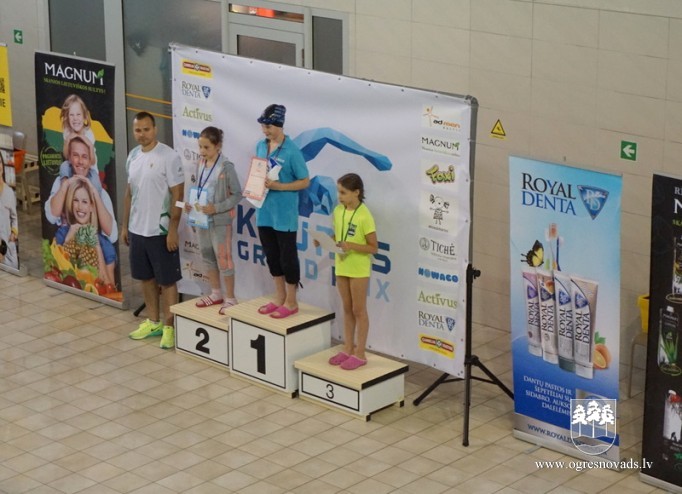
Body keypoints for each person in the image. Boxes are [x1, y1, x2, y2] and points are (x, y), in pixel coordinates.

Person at [122, 111, 184, 349]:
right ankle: (153, 322)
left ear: (155, 129)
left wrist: (173, 229)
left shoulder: (169, 157)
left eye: (146, 129)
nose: (142, 134)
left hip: (160, 232)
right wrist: (125, 225)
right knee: (146, 278)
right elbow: (129, 194)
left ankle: (169, 327)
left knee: (167, 281)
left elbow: (179, 196)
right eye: (138, 130)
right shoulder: (133, 156)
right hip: (137, 230)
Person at [315, 173, 378, 370]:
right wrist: (325, 240)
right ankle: (348, 347)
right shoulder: (338, 210)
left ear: (356, 192)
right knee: (347, 308)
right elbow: (339, 235)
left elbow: (373, 247)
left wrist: (352, 246)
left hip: (358, 268)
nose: (339, 196)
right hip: (341, 264)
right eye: (338, 192)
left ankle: (360, 353)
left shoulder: (364, 215)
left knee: (359, 310)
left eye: (343, 192)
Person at [254, 104, 310, 319]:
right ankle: (279, 297)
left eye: (268, 126)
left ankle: (292, 301)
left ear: (279, 125)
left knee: (288, 258)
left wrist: (280, 187)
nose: (265, 130)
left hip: (284, 214)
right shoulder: (261, 146)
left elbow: (304, 181)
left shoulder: (292, 151)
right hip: (264, 211)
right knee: (272, 256)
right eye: (263, 126)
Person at [184, 126, 242, 315]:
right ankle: (216, 293)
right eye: (200, 147)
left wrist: (216, 208)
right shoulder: (201, 163)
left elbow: (237, 195)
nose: (202, 151)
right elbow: (198, 188)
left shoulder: (226, 167)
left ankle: (230, 298)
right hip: (202, 219)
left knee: (223, 258)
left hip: (220, 221)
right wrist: (192, 205)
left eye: (206, 147)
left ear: (218, 146)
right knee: (207, 256)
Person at [46, 136, 117, 261]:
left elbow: (112, 235)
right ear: (69, 158)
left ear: (90, 161)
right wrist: (65, 185)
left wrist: (94, 194)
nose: (80, 161)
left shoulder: (100, 191)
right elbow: (51, 216)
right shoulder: (60, 183)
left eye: (84, 157)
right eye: (75, 155)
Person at [55, 177, 115, 286]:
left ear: (92, 206)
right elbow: (58, 275)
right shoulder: (62, 234)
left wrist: (96, 246)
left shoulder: (104, 244)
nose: (80, 207)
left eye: (84, 202)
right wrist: (68, 238)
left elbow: (109, 287)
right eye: (75, 200)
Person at [60, 94, 97, 166]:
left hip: (89, 166)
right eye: (71, 115)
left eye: (78, 114)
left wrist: (89, 144)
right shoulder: (67, 131)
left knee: (93, 173)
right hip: (74, 164)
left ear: (84, 116)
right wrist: (68, 140)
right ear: (67, 117)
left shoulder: (88, 134)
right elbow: (66, 156)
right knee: (64, 166)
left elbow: (92, 162)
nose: (75, 118)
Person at [0, 162, 18, 269]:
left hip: (7, 245)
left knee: (11, 269)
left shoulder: (9, 192)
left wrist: (13, 233)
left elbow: (14, 217)